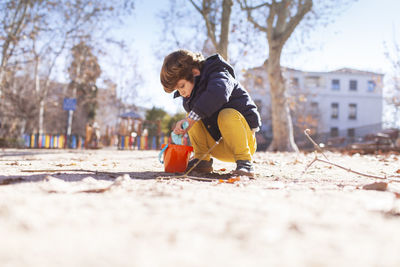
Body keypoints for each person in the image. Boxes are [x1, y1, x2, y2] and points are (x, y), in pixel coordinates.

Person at [160, 49, 261, 177]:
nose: (182, 93)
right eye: (177, 90)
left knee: (226, 115)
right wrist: (183, 128)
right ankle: (202, 161)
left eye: (182, 86)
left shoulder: (219, 73)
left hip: (244, 144)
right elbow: (194, 119)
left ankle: (245, 163)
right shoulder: (189, 99)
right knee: (190, 116)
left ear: (194, 73)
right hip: (218, 147)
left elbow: (219, 93)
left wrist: (191, 119)